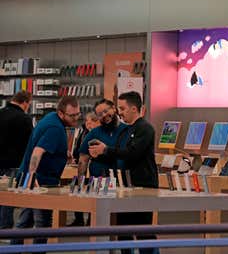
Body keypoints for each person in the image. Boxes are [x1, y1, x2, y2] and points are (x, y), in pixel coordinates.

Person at [89, 91, 158, 254]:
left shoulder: (145, 129)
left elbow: (133, 153)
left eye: (123, 108)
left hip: (144, 186)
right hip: (126, 187)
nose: (119, 112)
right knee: (123, 230)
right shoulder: (126, 130)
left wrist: (106, 149)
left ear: (134, 109)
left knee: (143, 231)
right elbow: (120, 154)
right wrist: (101, 153)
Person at [11, 96, 80, 247]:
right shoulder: (55, 128)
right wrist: (32, 176)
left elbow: (43, 146)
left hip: (34, 179)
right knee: (42, 224)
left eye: (77, 114)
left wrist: (62, 153)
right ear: (61, 114)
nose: (76, 118)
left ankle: (13, 250)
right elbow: (37, 151)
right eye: (72, 115)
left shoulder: (51, 118)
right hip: (41, 183)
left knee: (25, 222)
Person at [0, 90, 33, 229]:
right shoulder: (24, 119)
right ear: (25, 102)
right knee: (9, 198)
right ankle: (6, 229)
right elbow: (30, 142)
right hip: (14, 163)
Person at [68, 109, 100, 226]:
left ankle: (91, 220)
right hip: (82, 169)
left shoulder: (98, 134)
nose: (88, 124)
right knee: (77, 190)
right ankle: (79, 218)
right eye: (87, 121)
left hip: (95, 172)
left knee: (94, 196)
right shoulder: (84, 133)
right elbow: (78, 150)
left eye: (91, 121)